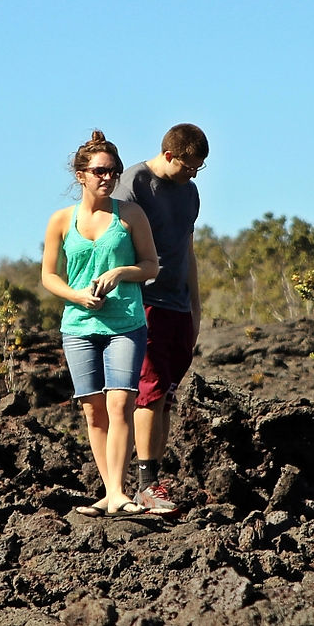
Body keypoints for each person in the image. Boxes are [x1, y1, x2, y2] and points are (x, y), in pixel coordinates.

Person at [42, 131, 159, 518]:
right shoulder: (61, 220)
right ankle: (109, 493)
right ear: (81, 175)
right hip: (78, 325)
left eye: (113, 171)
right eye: (99, 171)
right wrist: (76, 296)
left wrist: (121, 272)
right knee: (94, 410)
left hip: (125, 321)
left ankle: (119, 493)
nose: (107, 178)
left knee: (121, 401)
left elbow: (151, 265)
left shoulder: (131, 215)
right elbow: (49, 276)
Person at [112, 123, 209, 514]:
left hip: (177, 305)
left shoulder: (190, 193)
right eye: (189, 166)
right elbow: (113, 242)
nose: (193, 175)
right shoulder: (133, 183)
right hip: (143, 301)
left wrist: (196, 306)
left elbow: (187, 248)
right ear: (169, 155)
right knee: (148, 391)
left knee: (165, 395)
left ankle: (154, 482)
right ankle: (146, 484)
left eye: (199, 169)